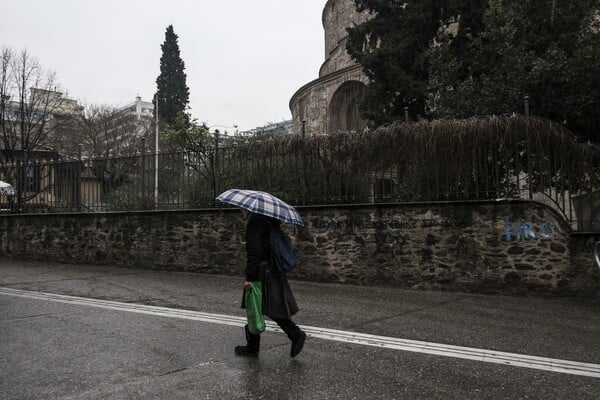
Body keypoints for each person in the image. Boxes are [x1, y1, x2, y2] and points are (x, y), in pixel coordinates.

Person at [235, 209, 306, 358]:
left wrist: (250, 278)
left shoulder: (255, 222)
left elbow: (254, 253)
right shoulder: (268, 219)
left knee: (260, 306)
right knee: (262, 307)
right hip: (272, 269)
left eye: (241, 208)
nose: (240, 210)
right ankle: (253, 346)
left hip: (262, 272)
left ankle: (295, 334)